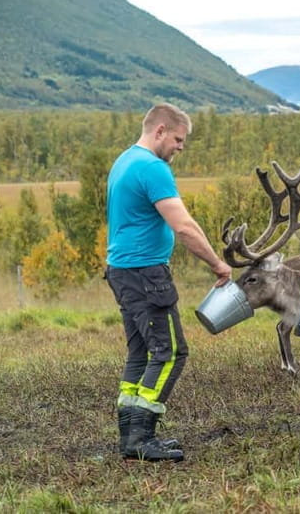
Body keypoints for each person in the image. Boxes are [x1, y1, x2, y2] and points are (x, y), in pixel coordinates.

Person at [105, 103, 232, 462]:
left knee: (140, 352)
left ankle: (130, 437)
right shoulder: (152, 167)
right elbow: (184, 226)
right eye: (178, 139)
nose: (181, 146)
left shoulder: (124, 161)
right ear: (159, 130)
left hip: (122, 271)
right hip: (146, 274)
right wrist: (217, 264)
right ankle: (142, 438)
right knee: (172, 352)